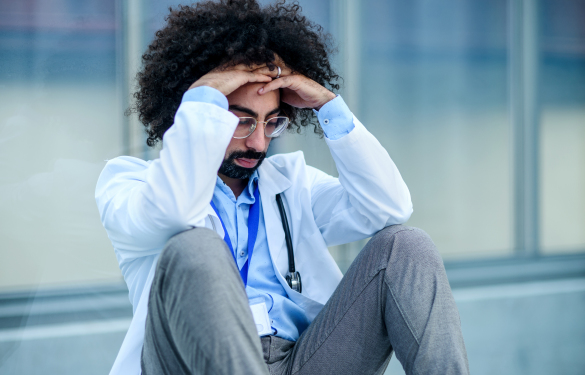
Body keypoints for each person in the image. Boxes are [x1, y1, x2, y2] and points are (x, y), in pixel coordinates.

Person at [95, 0, 469, 374]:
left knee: (406, 246)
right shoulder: (129, 184)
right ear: (196, 111)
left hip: (301, 360)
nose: (259, 143)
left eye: (271, 123)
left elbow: (387, 207)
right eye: (241, 122)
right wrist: (205, 92)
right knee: (195, 246)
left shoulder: (291, 185)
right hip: (192, 362)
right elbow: (174, 209)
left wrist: (328, 106)